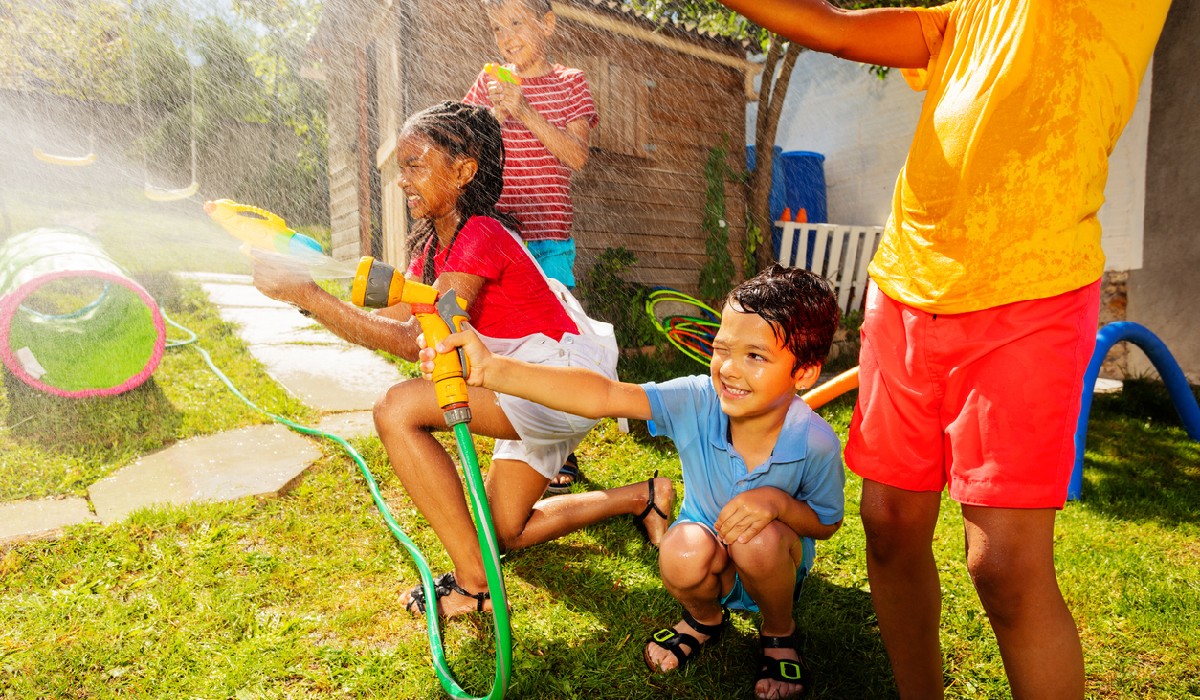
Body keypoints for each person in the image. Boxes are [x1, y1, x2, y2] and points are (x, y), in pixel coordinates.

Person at [714, 1, 1173, 697]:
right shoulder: (961, 17)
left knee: (1004, 565)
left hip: (1031, 294)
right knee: (890, 523)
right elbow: (832, 26)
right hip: (906, 287)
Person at [251, 101, 674, 618]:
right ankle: (643, 496)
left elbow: (410, 340)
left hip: (556, 382)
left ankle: (473, 586)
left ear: (463, 170)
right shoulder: (433, 248)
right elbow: (397, 309)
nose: (402, 179)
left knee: (397, 408)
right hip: (518, 382)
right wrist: (305, 277)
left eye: (415, 164)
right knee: (503, 532)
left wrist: (313, 297)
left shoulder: (481, 236)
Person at [420, 264, 846, 700]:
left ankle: (778, 633)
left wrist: (777, 504)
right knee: (679, 552)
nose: (730, 369)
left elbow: (826, 523)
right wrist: (493, 370)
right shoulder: (698, 400)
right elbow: (605, 395)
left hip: (772, 564)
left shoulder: (814, 442)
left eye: (755, 356)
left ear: (804, 373)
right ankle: (704, 619)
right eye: (722, 349)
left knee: (759, 542)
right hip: (707, 550)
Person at [464, 0, 599, 494]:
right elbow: (466, 140)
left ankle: (561, 452)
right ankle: (519, 440)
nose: (505, 36)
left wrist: (523, 109)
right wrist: (491, 118)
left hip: (549, 237)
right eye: (496, 28)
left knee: (555, 344)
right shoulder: (489, 79)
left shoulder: (570, 82)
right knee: (509, 337)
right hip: (502, 236)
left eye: (516, 23)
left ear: (547, 24)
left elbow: (577, 156)